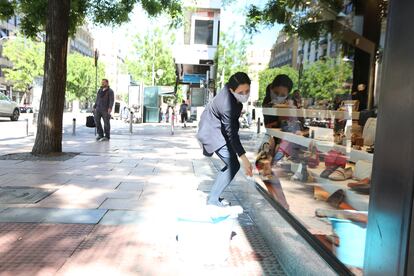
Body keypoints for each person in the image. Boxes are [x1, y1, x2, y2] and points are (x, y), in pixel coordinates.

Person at [197, 72, 253, 206]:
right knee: (234, 165)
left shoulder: (232, 96)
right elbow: (231, 134)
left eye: (247, 91)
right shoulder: (227, 104)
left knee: (232, 165)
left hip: (216, 130)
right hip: (212, 133)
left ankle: (214, 197)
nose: (245, 95)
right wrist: (244, 158)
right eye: (241, 92)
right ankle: (213, 200)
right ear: (231, 90)